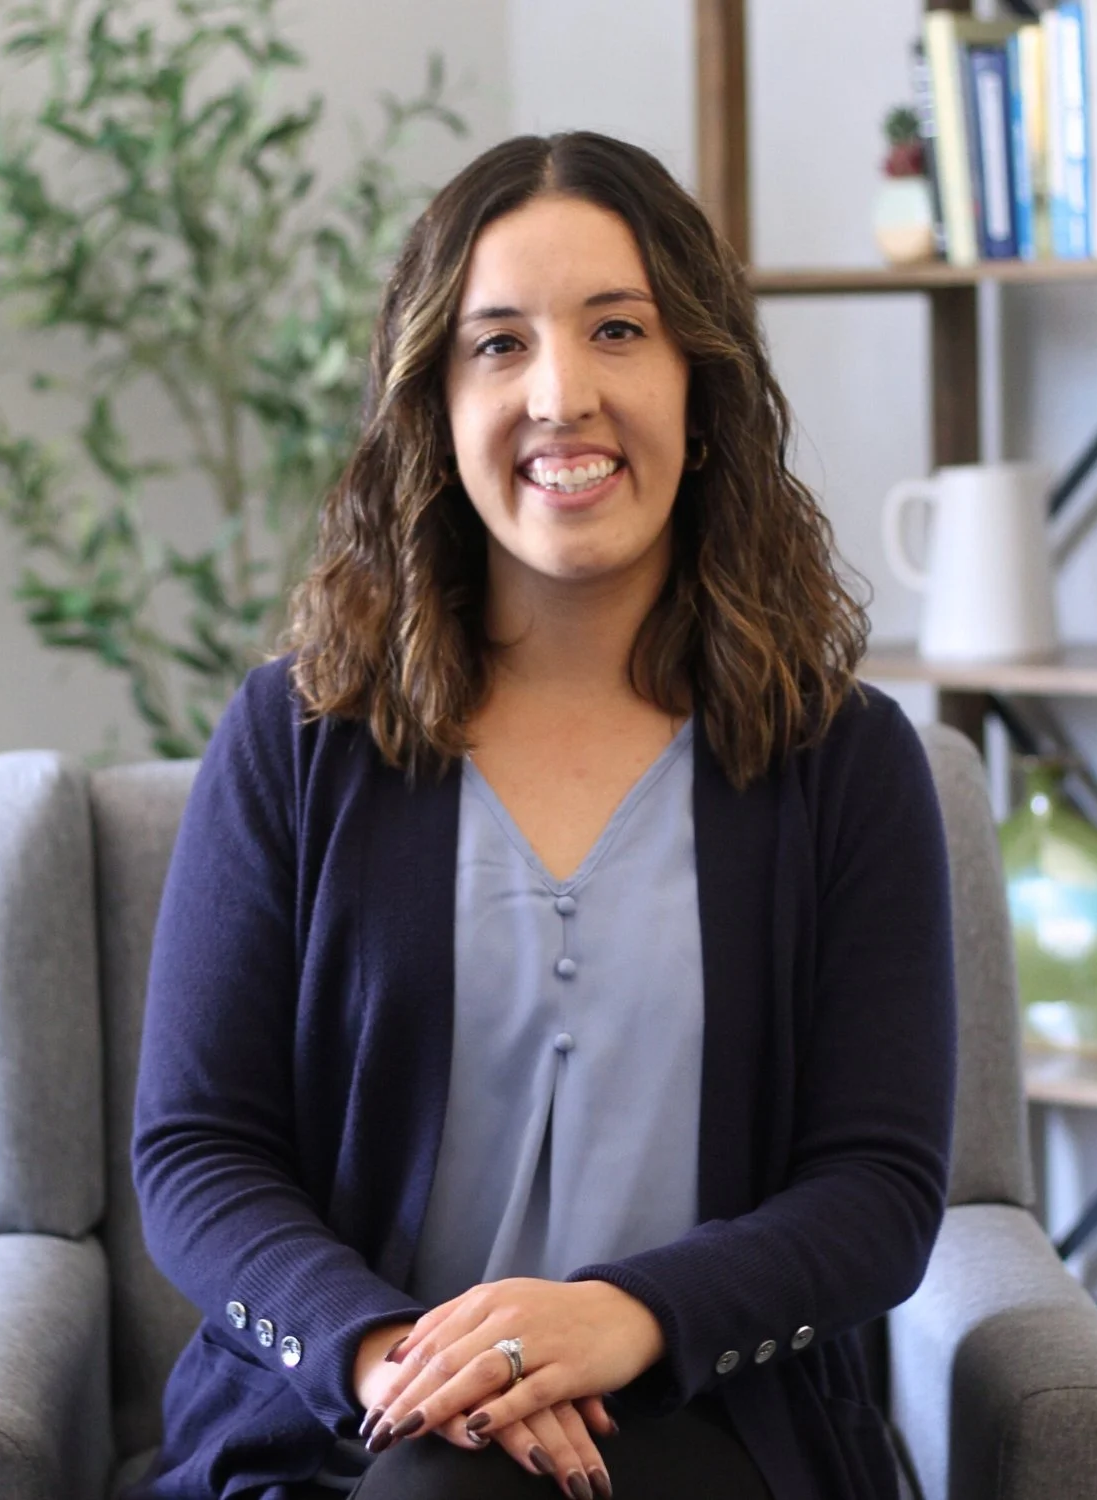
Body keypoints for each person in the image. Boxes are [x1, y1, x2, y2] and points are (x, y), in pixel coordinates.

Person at [128, 131, 956, 1500]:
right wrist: (394, 1355)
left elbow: (877, 1188)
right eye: (498, 345)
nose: (560, 395)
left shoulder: (845, 763)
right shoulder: (293, 740)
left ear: (701, 381)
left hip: (715, 1414)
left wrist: (619, 1317)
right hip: (350, 1423)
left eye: (617, 330)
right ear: (435, 407)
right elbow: (196, 1151)